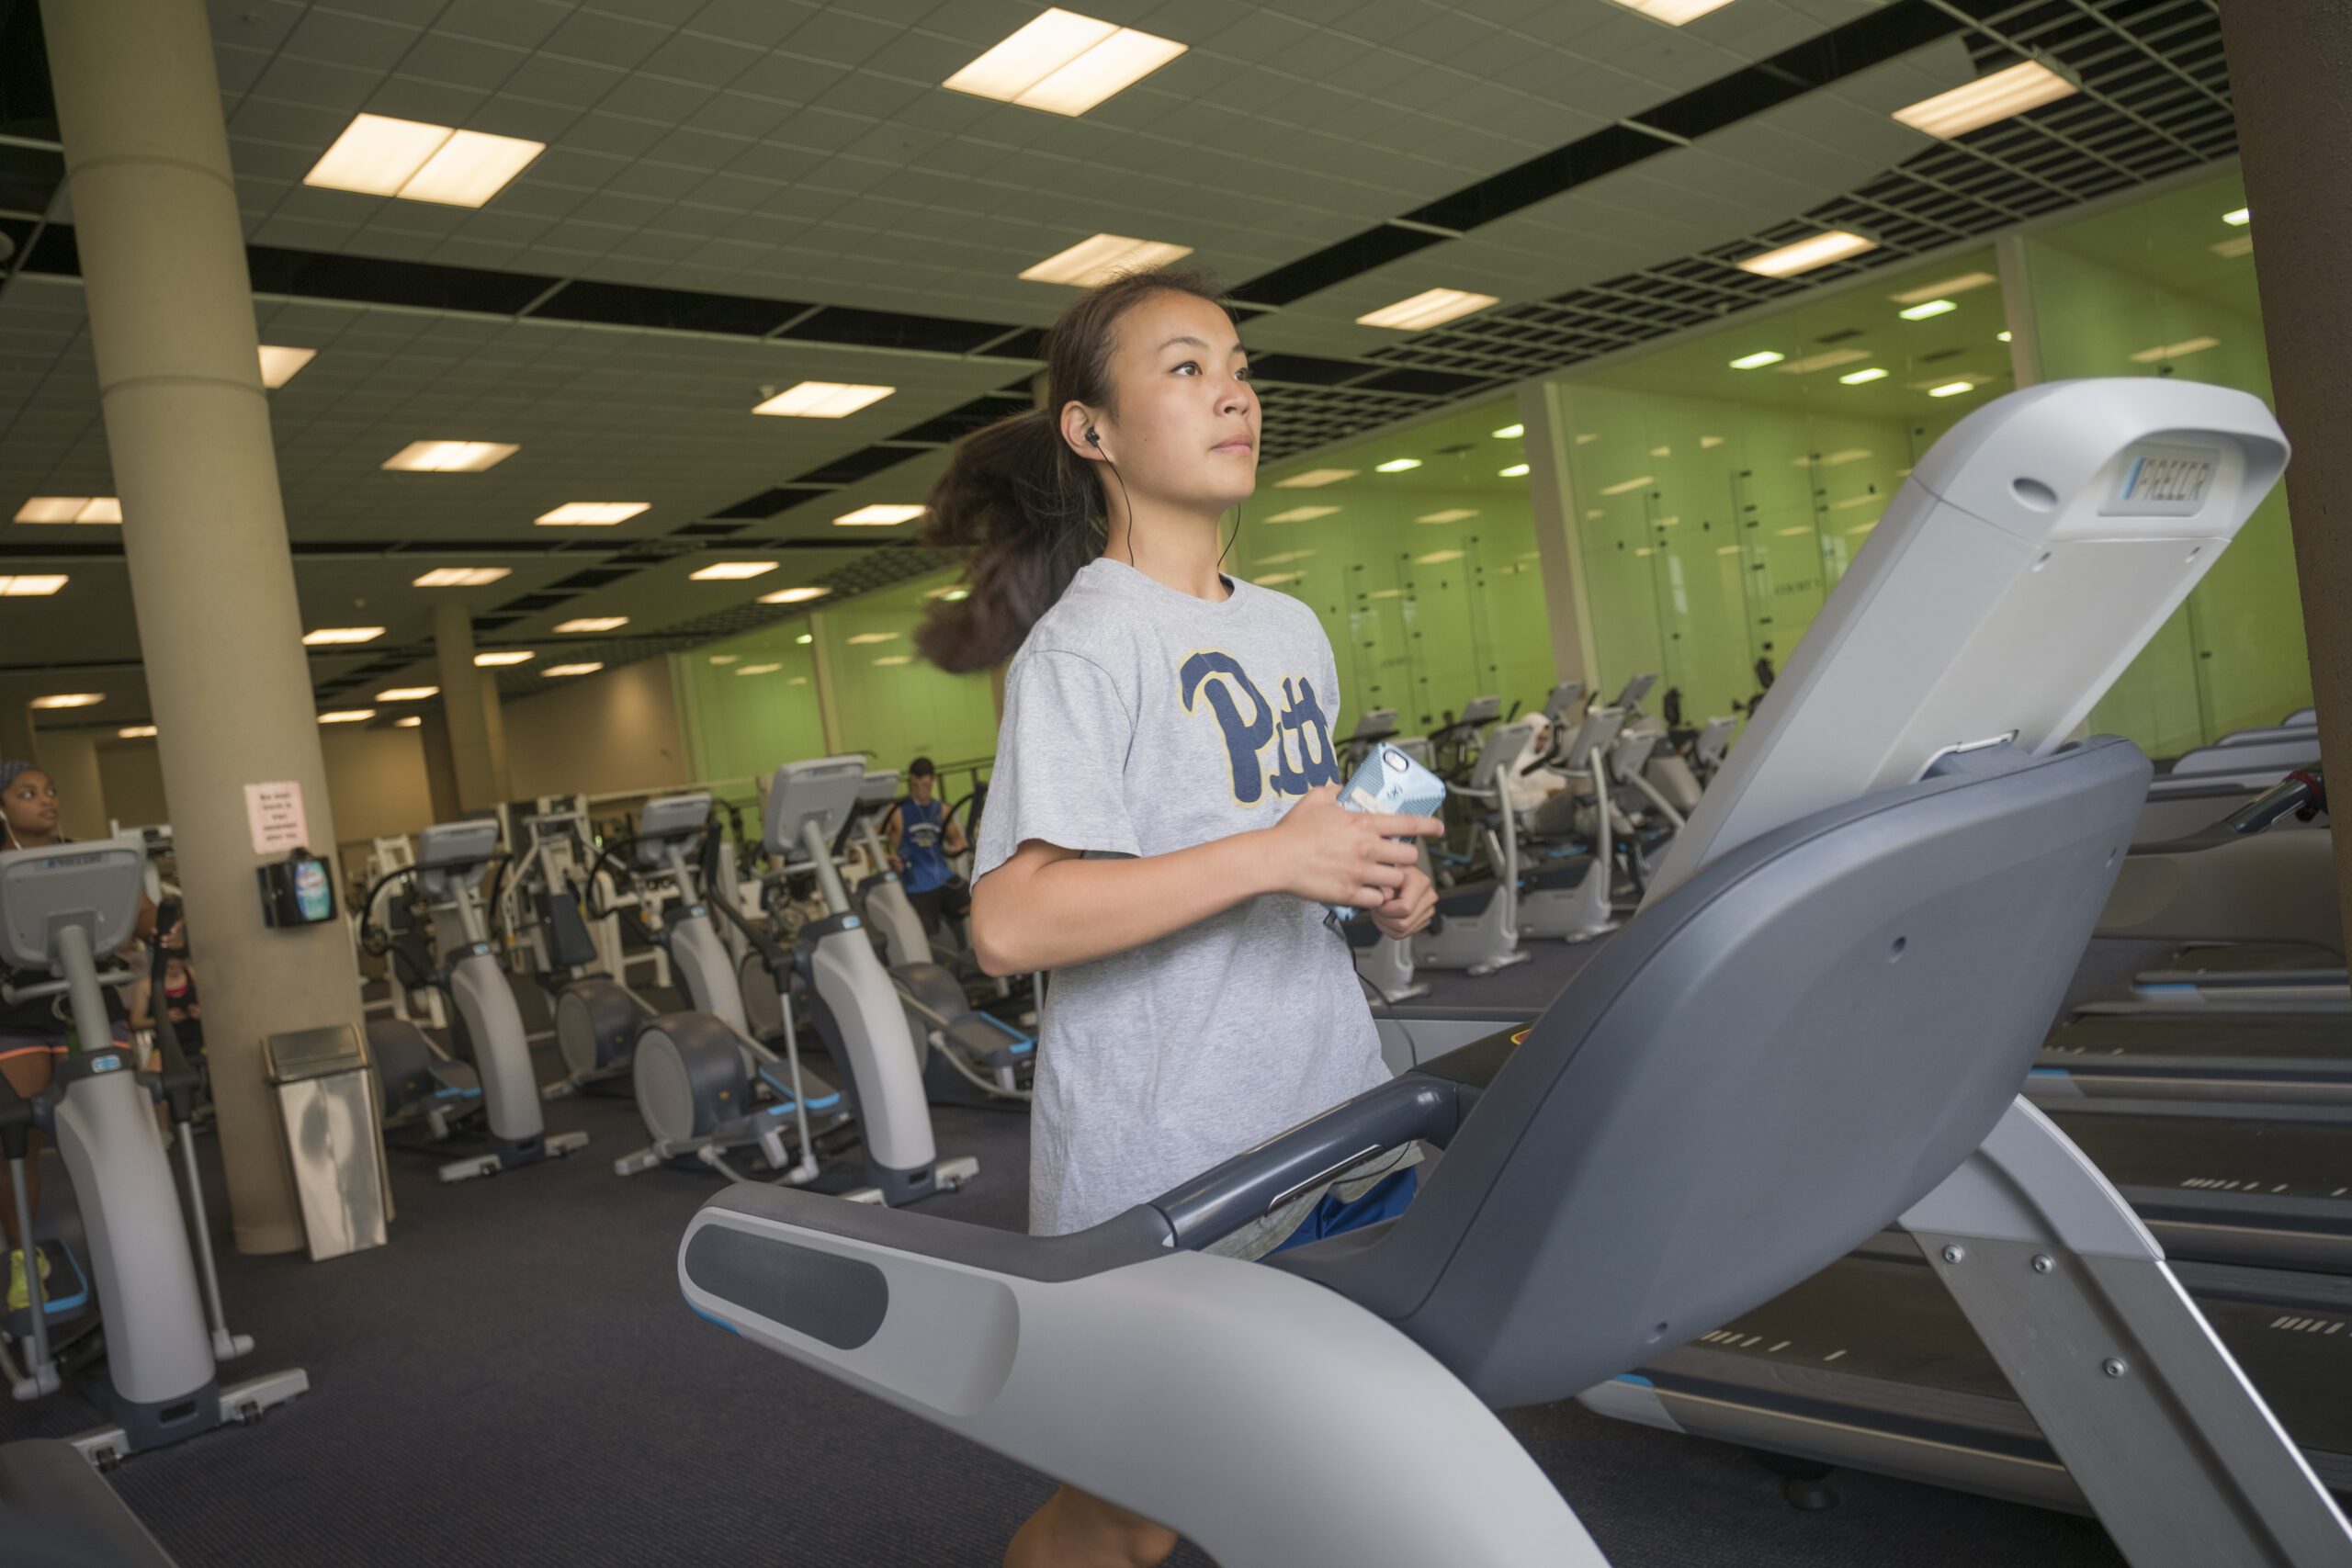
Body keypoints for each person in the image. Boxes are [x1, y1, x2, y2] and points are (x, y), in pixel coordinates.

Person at [916, 268, 1442, 1568]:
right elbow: (1010, 924)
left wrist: (1377, 883)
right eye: (1188, 367)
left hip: (1330, 1108)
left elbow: (1291, 852)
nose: (1237, 394)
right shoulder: (1085, 645)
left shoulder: (1290, 629)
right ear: (1092, 433)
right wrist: (1270, 853)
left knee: (1330, 1450)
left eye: (1243, 366)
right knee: (1129, 1514)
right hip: (1174, 1161)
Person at [0, 761, 145, 1311]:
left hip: (89, 1004)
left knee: (119, 1130)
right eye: (28, 793)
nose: (46, 800)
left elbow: (143, 913)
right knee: (16, 1139)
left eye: (50, 791)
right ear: (3, 806)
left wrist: (156, 919)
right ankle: (23, 1256)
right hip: (18, 1012)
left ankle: (131, 1245)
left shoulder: (90, 857)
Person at [880, 756, 968, 938]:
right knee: (930, 936)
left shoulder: (942, 810)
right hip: (917, 886)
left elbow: (959, 842)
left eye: (926, 786)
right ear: (910, 782)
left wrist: (959, 848)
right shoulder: (896, 812)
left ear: (933, 781)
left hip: (944, 878)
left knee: (981, 902)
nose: (921, 791)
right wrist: (889, 859)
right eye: (916, 786)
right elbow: (868, 849)